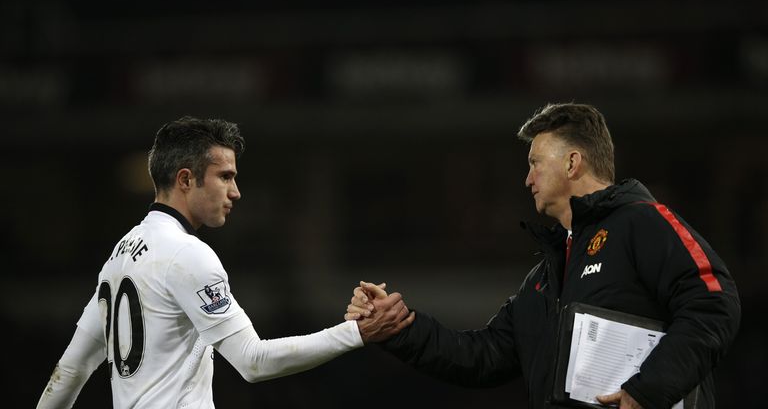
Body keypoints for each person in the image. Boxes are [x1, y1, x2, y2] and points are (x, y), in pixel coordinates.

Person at [346, 103, 741, 409]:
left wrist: (647, 391)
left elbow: (714, 303)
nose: (528, 179)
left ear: (572, 162)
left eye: (535, 163)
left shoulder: (642, 223)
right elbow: (480, 357)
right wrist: (398, 328)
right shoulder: (544, 278)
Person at [37, 116, 412, 408]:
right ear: (186, 179)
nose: (235, 191)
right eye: (225, 176)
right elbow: (254, 361)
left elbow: (70, 370)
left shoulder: (119, 257)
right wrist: (358, 333)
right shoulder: (187, 254)